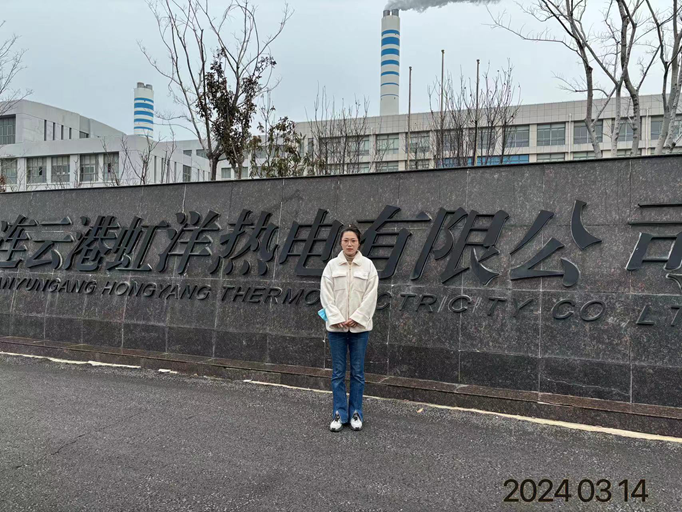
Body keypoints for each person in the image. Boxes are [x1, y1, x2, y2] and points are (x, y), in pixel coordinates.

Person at [320, 225, 379, 432]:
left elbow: (371, 295)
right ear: (341, 243)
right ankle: (339, 414)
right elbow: (326, 295)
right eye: (346, 240)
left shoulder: (368, 266)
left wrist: (357, 318)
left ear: (359, 243)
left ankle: (356, 413)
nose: (349, 244)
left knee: (357, 373)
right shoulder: (332, 266)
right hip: (336, 329)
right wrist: (336, 318)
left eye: (353, 240)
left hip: (359, 329)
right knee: (338, 373)